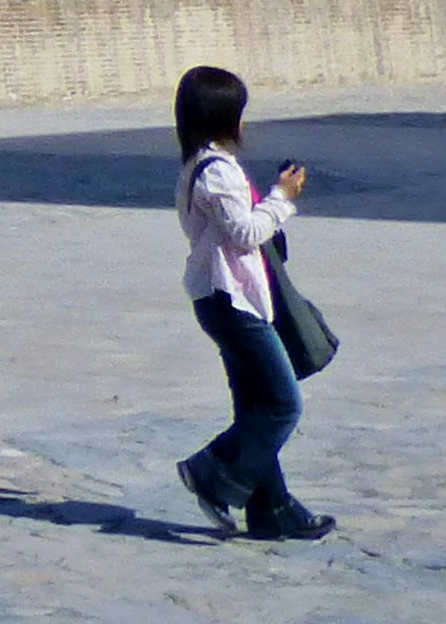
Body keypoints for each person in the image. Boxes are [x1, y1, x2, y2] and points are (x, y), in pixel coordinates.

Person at [172, 64, 333, 543]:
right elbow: (245, 233)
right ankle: (211, 469)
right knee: (283, 404)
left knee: (255, 405)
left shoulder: (202, 165)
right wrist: (283, 198)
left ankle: (272, 509)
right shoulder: (216, 171)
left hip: (229, 297)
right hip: (230, 300)